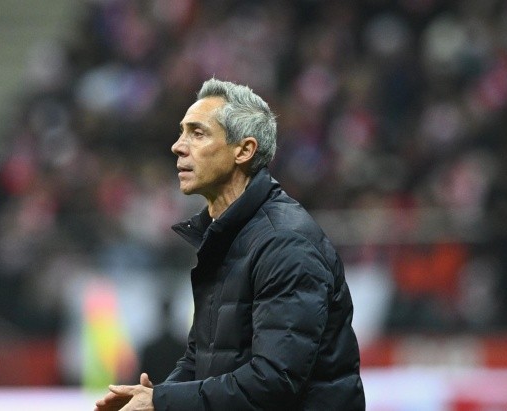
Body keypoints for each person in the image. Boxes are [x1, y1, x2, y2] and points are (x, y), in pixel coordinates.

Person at [94, 78, 365, 410]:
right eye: (182, 133)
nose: (178, 146)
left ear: (244, 150)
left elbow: (274, 380)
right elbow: (203, 359)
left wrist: (162, 401)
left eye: (198, 133)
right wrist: (153, 399)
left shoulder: (285, 243)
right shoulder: (226, 237)